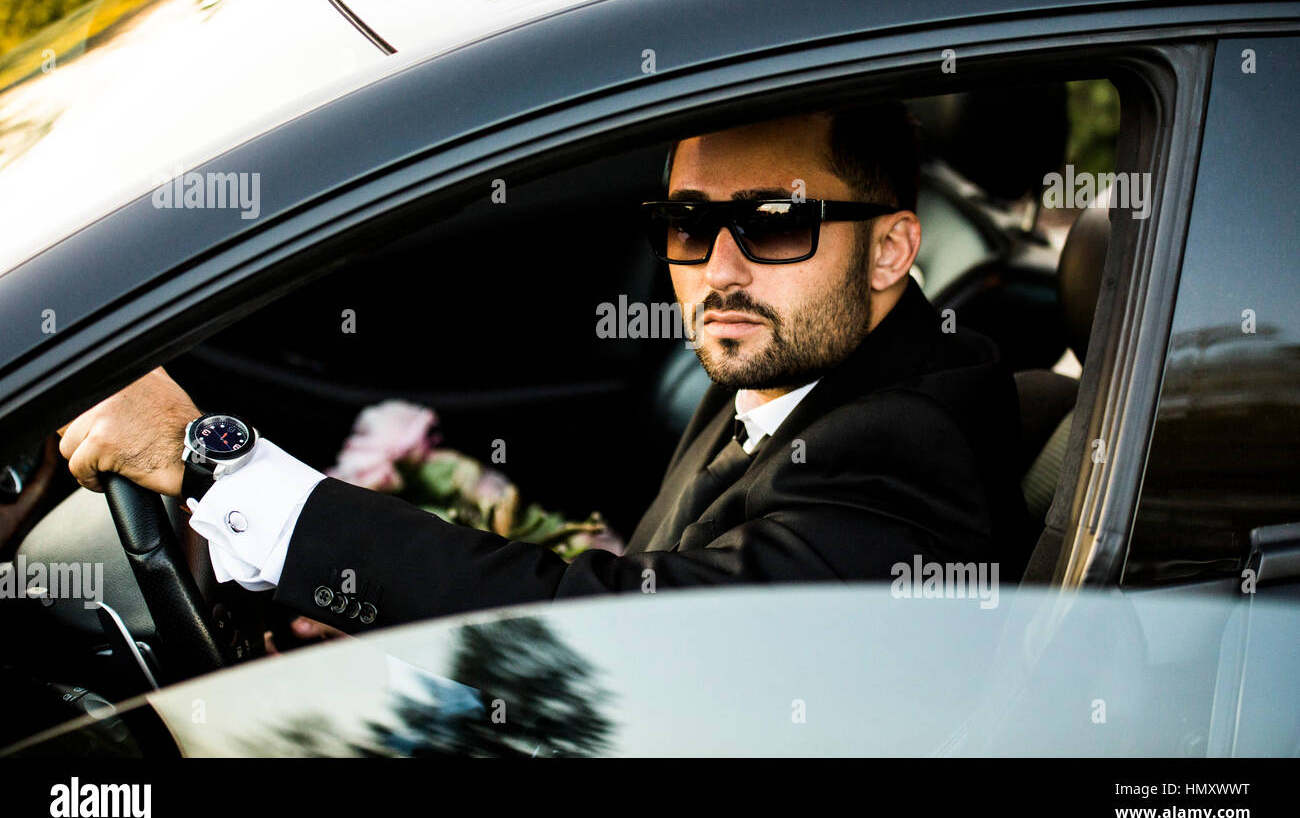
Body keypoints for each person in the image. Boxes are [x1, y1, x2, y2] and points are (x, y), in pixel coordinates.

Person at [57, 102, 1029, 633]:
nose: (718, 268)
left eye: (776, 222)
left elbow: (636, 646)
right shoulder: (782, 365)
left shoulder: (904, 440)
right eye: (688, 223)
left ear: (895, 249)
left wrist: (208, 459)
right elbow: (651, 586)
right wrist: (371, 607)